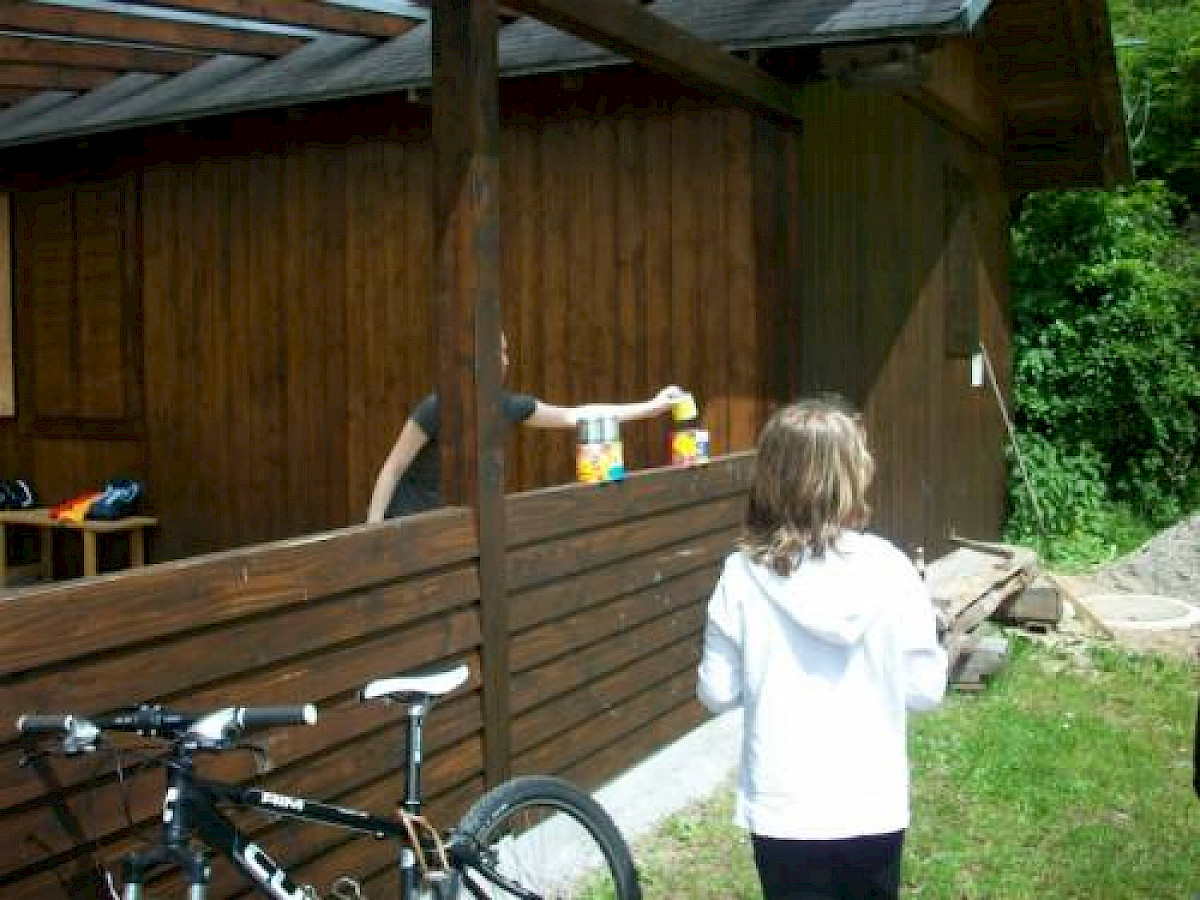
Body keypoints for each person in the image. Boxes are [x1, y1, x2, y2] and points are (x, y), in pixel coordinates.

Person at [696, 397, 947, 900]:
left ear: (769, 476)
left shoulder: (740, 575)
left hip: (783, 804)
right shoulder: (891, 568)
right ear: (854, 475)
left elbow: (716, 693)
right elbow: (925, 691)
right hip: (871, 800)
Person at [367, 334, 687, 521]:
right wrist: (374, 532)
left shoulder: (506, 406)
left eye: (506, 352)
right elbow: (393, 469)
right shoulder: (439, 406)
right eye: (498, 352)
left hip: (450, 525)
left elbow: (576, 415)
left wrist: (652, 407)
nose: (506, 360)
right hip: (406, 520)